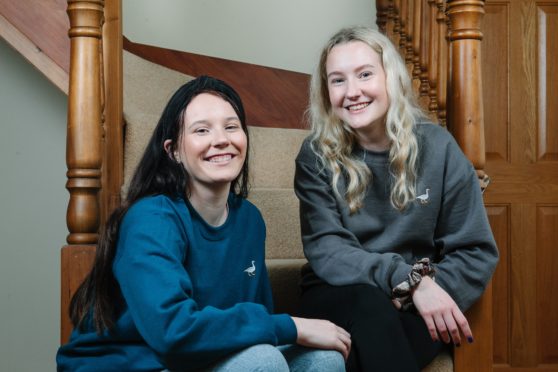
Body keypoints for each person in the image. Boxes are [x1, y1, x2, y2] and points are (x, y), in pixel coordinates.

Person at [56, 76, 350, 372]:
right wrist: (291, 326)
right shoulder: (151, 220)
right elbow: (173, 333)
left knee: (324, 359)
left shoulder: (249, 219)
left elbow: (253, 325)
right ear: (173, 151)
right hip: (129, 364)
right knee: (263, 361)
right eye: (201, 130)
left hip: (193, 360)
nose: (221, 139)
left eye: (231, 126)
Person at [294, 26, 498, 371]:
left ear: (391, 77)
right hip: (340, 292)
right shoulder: (316, 155)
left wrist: (423, 290)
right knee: (371, 308)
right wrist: (408, 281)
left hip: (418, 303)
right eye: (338, 80)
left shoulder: (439, 148)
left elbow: (475, 250)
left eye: (365, 74)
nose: (352, 92)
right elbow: (328, 249)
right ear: (326, 92)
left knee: (374, 343)